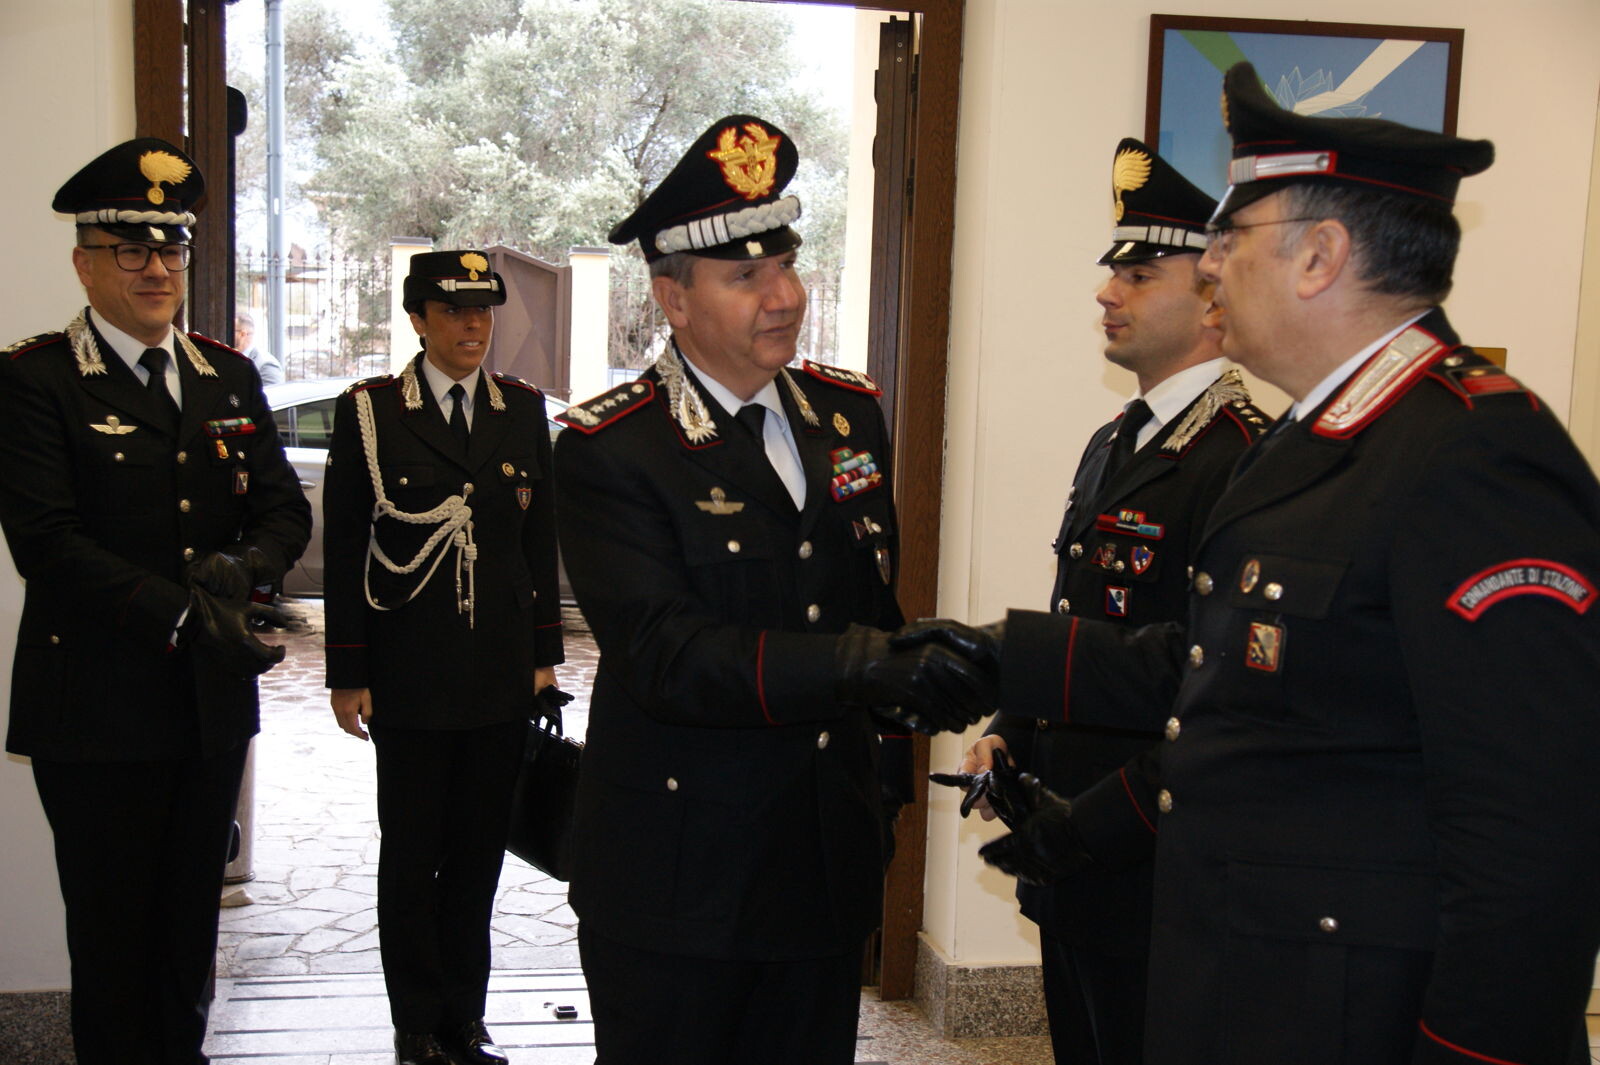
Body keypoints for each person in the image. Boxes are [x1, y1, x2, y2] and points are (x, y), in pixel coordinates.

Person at [927, 63, 1600, 1064]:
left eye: (1229, 239)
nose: (1206, 266)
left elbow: (1531, 826)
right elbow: (1221, 669)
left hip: (1358, 1010)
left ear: (1320, 257)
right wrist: (994, 657)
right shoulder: (1314, 439)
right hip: (1252, 980)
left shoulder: (1471, 455)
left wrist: (1476, 1053)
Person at [554, 114, 988, 1065]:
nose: (785, 296)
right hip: (678, 872)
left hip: (823, 859)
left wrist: (922, 677)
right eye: (745, 277)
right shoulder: (612, 450)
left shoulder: (847, 415)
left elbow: (865, 602)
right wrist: (863, 665)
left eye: (786, 263)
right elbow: (668, 655)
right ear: (673, 297)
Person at [956, 138, 1268, 1065]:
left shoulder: (1246, 455)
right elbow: (1084, 611)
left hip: (1156, 846)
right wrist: (1011, 720)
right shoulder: (1116, 437)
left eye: (1137, 273)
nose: (1107, 293)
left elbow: (1210, 670)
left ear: (1213, 293)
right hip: (1069, 825)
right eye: (1112, 275)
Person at [0, 137, 311, 1064]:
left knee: (189, 924)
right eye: (132, 249)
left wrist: (243, 566)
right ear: (85, 260)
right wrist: (180, 610)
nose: (158, 269)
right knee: (111, 926)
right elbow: (46, 544)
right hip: (93, 707)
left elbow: (285, 508)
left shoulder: (225, 374)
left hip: (207, 706)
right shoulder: (35, 380)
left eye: (172, 247)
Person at [323, 250, 566, 1065]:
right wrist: (349, 670)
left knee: (477, 858)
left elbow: (539, 543)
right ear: (418, 318)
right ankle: (416, 1020)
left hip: (498, 676)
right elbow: (347, 549)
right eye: (454, 311)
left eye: (483, 311)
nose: (472, 325)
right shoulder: (372, 412)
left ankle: (468, 1015)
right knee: (413, 854)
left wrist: (543, 658)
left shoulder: (521, 410)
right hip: (410, 676)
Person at [233, 309, 283, 386]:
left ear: (243, 334)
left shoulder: (266, 365)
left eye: (231, 330)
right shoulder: (229, 358)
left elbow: (274, 396)